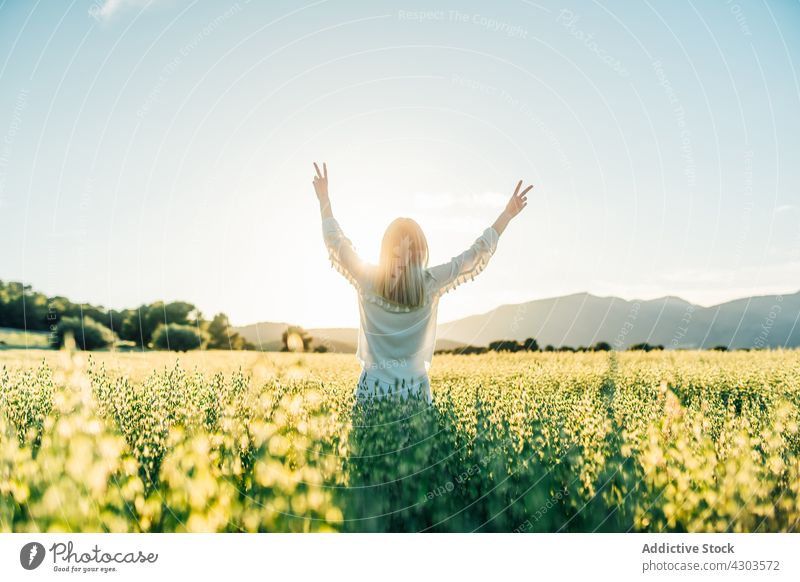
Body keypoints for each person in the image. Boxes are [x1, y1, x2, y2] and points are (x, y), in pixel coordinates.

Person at [312, 162, 530, 404]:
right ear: (420, 251)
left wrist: (324, 199)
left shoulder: (367, 277)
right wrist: (507, 215)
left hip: (371, 392)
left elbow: (336, 242)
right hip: (415, 396)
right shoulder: (430, 282)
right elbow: (474, 255)